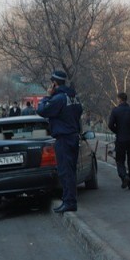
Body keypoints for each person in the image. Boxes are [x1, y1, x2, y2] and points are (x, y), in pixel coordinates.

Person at [37, 70, 83, 213]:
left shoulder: (59, 99)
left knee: (65, 171)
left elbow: (42, 110)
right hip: (73, 136)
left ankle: (69, 202)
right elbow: (78, 113)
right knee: (70, 171)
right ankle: (68, 200)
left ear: (54, 83)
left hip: (64, 138)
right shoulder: (74, 97)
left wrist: (46, 96)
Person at [108, 92, 130, 190]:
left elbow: (110, 125)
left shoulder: (115, 111)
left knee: (120, 160)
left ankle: (124, 176)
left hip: (120, 140)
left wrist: (118, 132)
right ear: (126, 99)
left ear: (119, 99)